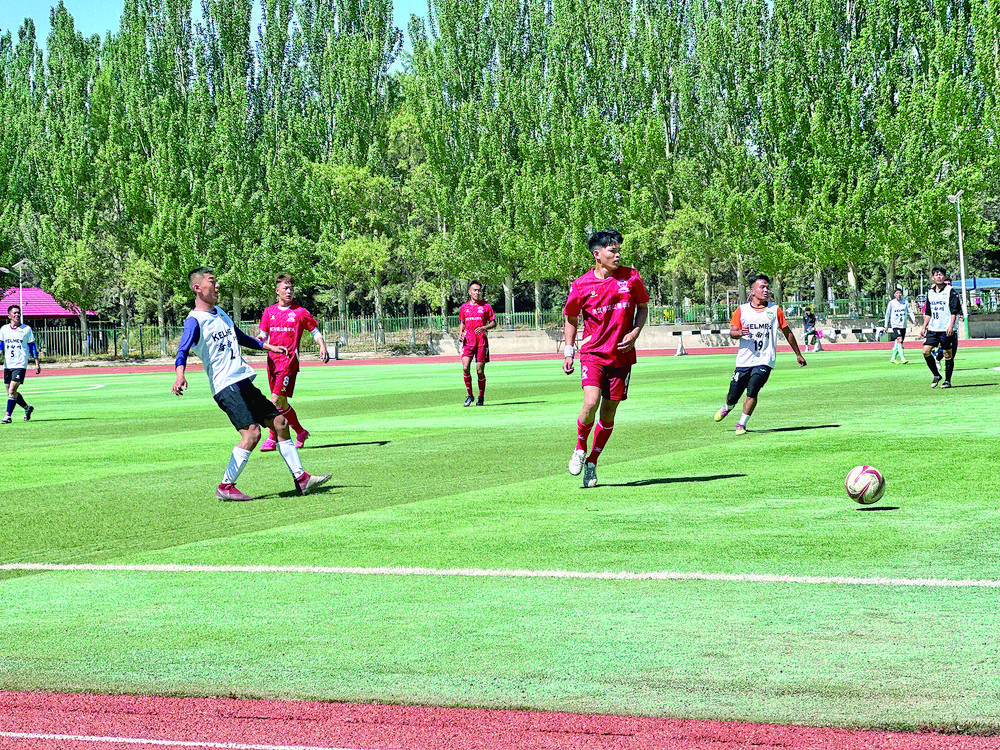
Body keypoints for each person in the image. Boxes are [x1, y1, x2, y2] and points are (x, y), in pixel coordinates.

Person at [172, 267, 331, 501]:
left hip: (242, 381)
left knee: (280, 422)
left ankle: (302, 479)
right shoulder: (194, 321)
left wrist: (269, 347)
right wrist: (180, 375)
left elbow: (240, 337)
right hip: (226, 386)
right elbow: (182, 349)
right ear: (197, 288)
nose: (217, 286)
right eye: (212, 281)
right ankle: (226, 486)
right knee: (252, 434)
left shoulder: (220, 313)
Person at [563, 229, 649, 488]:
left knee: (609, 412)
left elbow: (642, 307)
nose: (618, 255)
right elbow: (571, 318)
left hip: (622, 356)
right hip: (593, 354)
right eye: (613, 250)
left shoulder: (631, 277)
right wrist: (569, 351)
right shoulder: (581, 284)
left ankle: (592, 461)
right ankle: (580, 447)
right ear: (597, 254)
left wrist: (635, 332)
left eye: (619, 250)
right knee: (591, 402)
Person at [714, 274, 807, 435]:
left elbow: (787, 332)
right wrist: (739, 333)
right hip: (744, 360)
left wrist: (798, 354)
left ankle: (741, 424)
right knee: (733, 395)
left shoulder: (774, 310)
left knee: (753, 389)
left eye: (767, 287)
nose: (766, 290)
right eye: (762, 287)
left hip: (765, 359)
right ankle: (728, 406)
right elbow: (732, 332)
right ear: (752, 291)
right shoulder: (742, 310)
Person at [256, 273, 330, 451]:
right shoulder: (269, 312)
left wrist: (322, 345)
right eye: (285, 288)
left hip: (288, 362)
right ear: (277, 291)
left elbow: (314, 331)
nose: (289, 292)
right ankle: (300, 432)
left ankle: (272, 438)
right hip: (272, 362)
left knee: (275, 400)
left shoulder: (300, 312)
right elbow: (263, 335)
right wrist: (258, 340)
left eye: (291, 289)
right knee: (282, 403)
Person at [919, 266, 961, 388]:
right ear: (933, 277)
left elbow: (954, 310)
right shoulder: (930, 292)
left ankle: (947, 380)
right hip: (933, 328)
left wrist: (951, 325)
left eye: (941, 274)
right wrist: (924, 326)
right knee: (926, 351)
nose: (939, 277)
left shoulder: (950, 291)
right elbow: (928, 311)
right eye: (936, 275)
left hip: (945, 328)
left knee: (947, 354)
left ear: (944, 277)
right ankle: (936, 375)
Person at [458, 280, 497, 406]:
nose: (477, 292)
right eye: (475, 290)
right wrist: (460, 332)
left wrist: (484, 328)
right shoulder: (464, 307)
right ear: (469, 292)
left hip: (481, 341)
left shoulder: (486, 306)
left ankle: (481, 396)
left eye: (479, 290)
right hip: (468, 341)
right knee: (465, 367)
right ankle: (470, 395)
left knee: (479, 371)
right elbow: (462, 322)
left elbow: (494, 323)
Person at [0, 304, 39, 423]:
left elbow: (32, 346)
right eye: (15, 313)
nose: (17, 315)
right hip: (8, 364)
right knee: (11, 392)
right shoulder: (4, 329)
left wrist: (37, 362)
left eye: (18, 313)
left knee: (12, 390)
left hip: (20, 364)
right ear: (9, 316)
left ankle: (7, 416)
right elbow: (1, 345)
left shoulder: (26, 329)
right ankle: (27, 408)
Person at [883, 287, 916, 364]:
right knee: (899, 339)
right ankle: (902, 358)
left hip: (903, 325)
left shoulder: (905, 302)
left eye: (900, 293)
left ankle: (893, 358)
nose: (899, 294)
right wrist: (886, 325)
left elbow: (910, 311)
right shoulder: (891, 303)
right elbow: (887, 314)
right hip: (895, 325)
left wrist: (913, 319)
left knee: (899, 342)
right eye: (897, 293)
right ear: (894, 295)